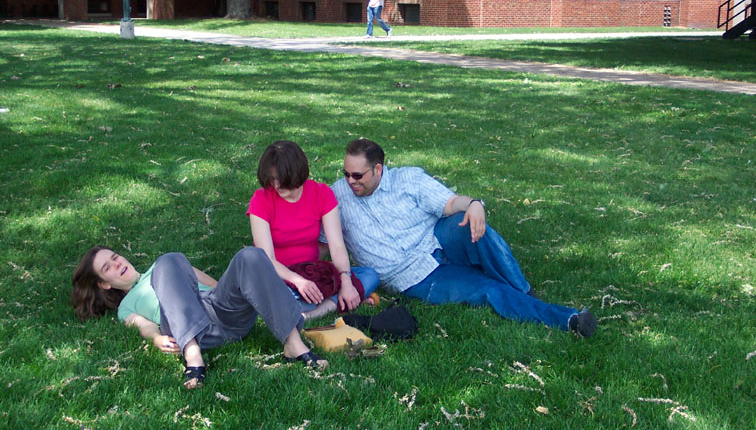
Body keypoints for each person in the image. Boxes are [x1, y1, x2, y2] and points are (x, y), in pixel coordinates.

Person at [327, 138, 597, 337]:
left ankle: (524, 291)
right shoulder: (336, 197)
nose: (350, 181)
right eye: (346, 174)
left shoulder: (408, 179)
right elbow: (317, 239)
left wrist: (474, 204)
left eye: (357, 175)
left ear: (378, 169)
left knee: (469, 223)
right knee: (489, 290)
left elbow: (451, 203)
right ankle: (570, 320)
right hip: (413, 275)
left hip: (438, 240)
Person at [71, 246, 327, 390]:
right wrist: (157, 338)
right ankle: (193, 356)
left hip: (221, 311)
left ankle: (293, 344)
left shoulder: (167, 266)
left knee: (250, 255)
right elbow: (142, 325)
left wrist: (238, 290)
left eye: (115, 257)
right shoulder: (126, 306)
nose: (117, 264)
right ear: (104, 284)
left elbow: (217, 286)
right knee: (167, 261)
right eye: (107, 267)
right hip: (188, 326)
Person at [247, 140, 379, 321]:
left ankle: (314, 312)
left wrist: (346, 281)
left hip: (312, 273)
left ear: (296, 173)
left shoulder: (321, 193)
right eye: (271, 179)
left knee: (369, 275)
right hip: (278, 276)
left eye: (280, 179)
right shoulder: (261, 199)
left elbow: (337, 246)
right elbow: (266, 258)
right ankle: (335, 301)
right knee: (279, 296)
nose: (276, 185)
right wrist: (298, 281)